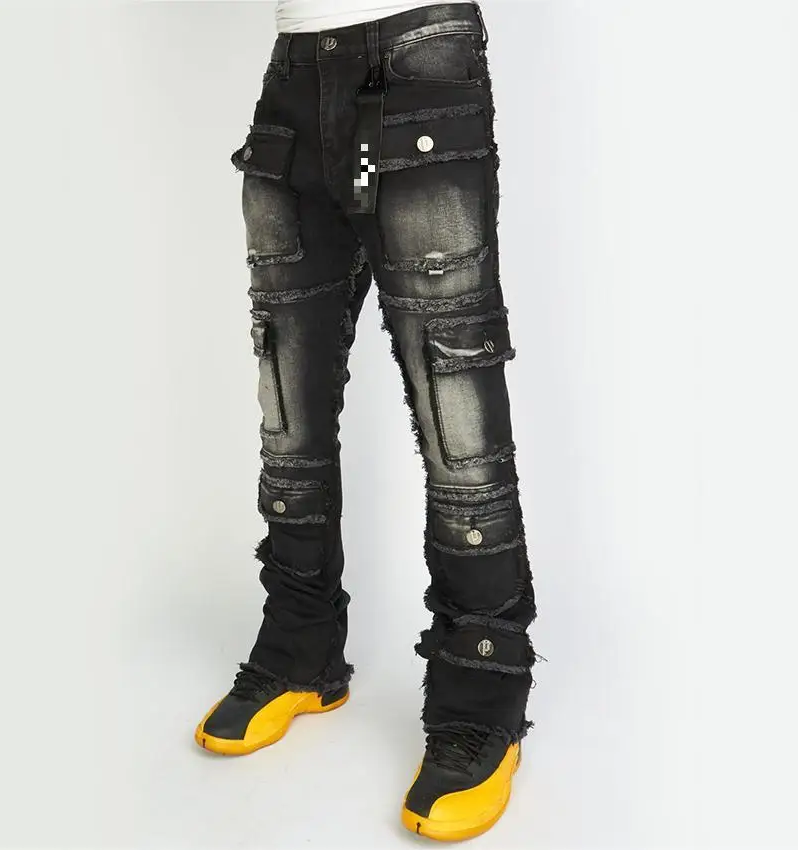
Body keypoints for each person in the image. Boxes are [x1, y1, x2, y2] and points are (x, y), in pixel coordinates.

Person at [194, 1, 538, 841]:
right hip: (292, 75)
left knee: (458, 428)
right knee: (288, 414)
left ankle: (481, 701)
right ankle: (300, 650)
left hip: (420, 63)